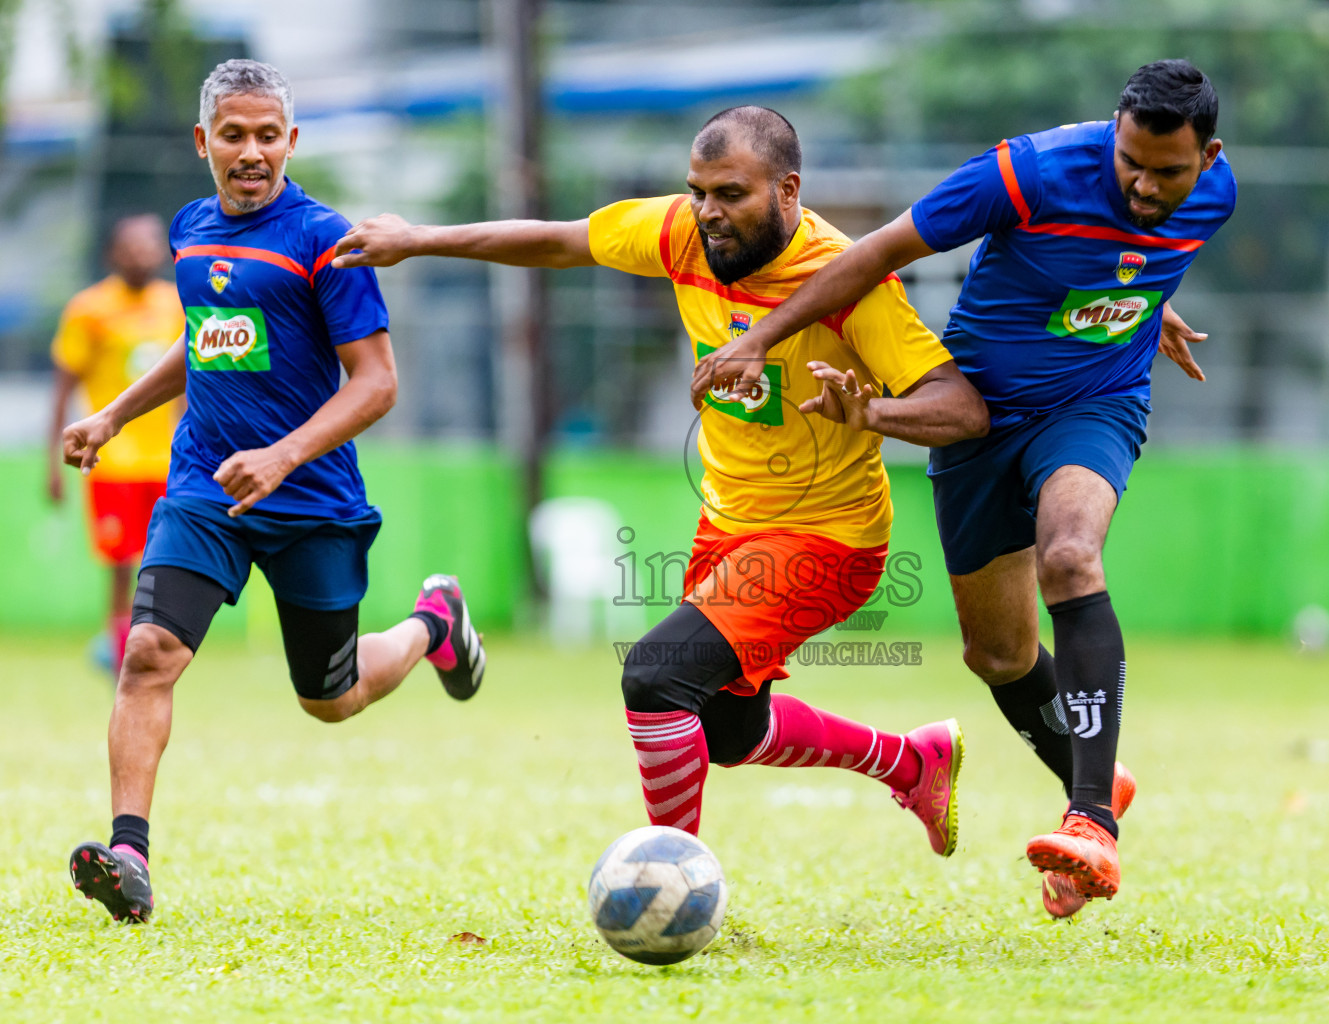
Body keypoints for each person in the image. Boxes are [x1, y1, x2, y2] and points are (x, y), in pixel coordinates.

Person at [334, 106, 989, 853]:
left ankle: (671, 878)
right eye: (698, 190)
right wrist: (418, 240)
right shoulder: (681, 232)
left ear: (788, 190)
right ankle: (912, 762)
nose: (708, 212)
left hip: (828, 540)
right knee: (729, 731)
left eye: (731, 193)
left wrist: (872, 414)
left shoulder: (851, 284)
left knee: (654, 676)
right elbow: (559, 243)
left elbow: (961, 409)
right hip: (730, 527)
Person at [693, 61, 1237, 917]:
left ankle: (1090, 820)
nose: (1142, 183)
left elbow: (1143, 250)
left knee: (1070, 554)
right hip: (979, 412)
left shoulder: (1216, 194)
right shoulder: (1024, 173)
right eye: (1128, 161)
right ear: (1112, 134)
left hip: (1094, 405)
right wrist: (762, 336)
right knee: (999, 655)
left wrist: (1148, 299)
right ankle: (1099, 776)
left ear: (1208, 158)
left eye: (1166, 172)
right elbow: (875, 254)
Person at [59, 59, 487, 924]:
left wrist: (282, 456)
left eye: (267, 136)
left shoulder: (328, 239)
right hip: (205, 488)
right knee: (148, 656)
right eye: (233, 135)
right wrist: (110, 415)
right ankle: (130, 854)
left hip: (311, 499)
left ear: (291, 141)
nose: (250, 152)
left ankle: (433, 622)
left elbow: (377, 383)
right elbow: (202, 341)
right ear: (203, 142)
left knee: (330, 699)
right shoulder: (189, 229)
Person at [47, 214, 184, 674]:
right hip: (110, 460)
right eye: (131, 246)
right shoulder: (89, 309)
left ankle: (153, 639)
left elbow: (188, 382)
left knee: (164, 556)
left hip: (166, 458)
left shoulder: (175, 304)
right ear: (112, 254)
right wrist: (53, 462)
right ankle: (118, 644)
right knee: (121, 562)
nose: (142, 253)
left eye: (149, 245)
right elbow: (63, 388)